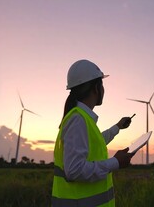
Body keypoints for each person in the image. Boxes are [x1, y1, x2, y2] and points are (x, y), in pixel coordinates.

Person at [52, 59, 134, 207]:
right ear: (96, 88)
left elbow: (94, 142)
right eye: (102, 84)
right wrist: (115, 162)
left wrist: (117, 127)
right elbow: (74, 170)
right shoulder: (78, 119)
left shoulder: (80, 118)